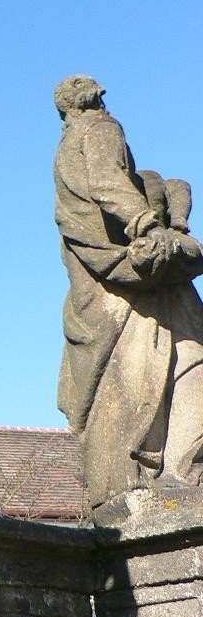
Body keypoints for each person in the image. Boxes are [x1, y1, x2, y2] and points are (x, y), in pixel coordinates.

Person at [53, 74, 203, 512]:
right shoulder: (98, 128)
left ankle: (161, 473)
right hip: (125, 293)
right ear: (93, 99)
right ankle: (158, 472)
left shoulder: (66, 147)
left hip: (118, 291)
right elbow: (106, 182)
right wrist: (147, 225)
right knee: (145, 376)